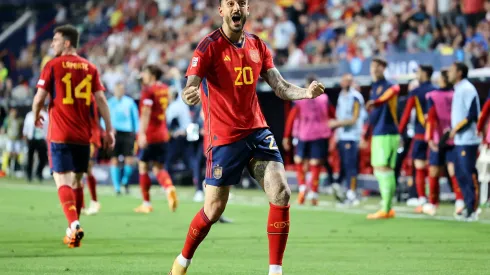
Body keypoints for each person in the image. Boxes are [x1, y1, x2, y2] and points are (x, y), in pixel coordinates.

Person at [169, 1, 325, 274]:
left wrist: (306, 93)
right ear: (222, 11)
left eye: (241, 2)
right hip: (224, 138)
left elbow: (279, 86)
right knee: (213, 210)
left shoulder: (258, 46)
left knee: (281, 192)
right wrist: (188, 94)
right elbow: (190, 86)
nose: (236, 7)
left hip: (256, 131)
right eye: (230, 3)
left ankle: (275, 271)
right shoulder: (208, 46)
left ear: (247, 9)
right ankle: (182, 261)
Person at [32, 24, 114, 248]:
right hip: (82, 136)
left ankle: (74, 223)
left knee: (62, 180)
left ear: (67, 42)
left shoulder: (52, 65)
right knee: (78, 180)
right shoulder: (90, 67)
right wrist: (109, 129)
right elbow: (101, 101)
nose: (52, 44)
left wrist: (35, 114)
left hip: (59, 133)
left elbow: (40, 97)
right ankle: (72, 232)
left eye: (56, 40)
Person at [282, 75, 334, 206]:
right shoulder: (325, 98)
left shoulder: (300, 98)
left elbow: (291, 117)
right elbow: (332, 115)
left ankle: (302, 189)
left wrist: (286, 136)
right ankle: (314, 194)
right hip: (320, 135)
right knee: (315, 164)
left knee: (300, 161)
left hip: (303, 134)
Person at [134, 64, 178, 214]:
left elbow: (146, 113)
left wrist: (141, 133)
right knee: (158, 168)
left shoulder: (148, 90)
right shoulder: (165, 89)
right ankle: (168, 187)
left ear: (152, 75)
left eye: (145, 73)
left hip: (150, 134)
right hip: (163, 133)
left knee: (143, 166)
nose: (143, 76)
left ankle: (146, 203)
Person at [423, 69, 464, 216]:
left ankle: (435, 203)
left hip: (441, 138)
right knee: (451, 170)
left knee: (436, 170)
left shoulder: (433, 96)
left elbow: (430, 119)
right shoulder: (455, 94)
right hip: (453, 136)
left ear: (443, 79)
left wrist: (429, 138)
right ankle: (457, 202)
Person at [364, 57, 400, 220]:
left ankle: (386, 208)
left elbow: (394, 91)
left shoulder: (388, 86)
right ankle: (387, 207)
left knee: (383, 169)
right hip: (381, 132)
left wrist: (375, 103)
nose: (374, 69)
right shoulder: (375, 87)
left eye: (378, 67)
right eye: (372, 67)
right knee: (382, 169)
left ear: (383, 68)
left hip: (386, 131)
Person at [398, 65, 436, 213]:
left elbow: (406, 114)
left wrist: (400, 133)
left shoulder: (415, 92)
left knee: (419, 167)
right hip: (436, 136)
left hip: (421, 134)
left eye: (418, 72)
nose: (417, 75)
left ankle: (422, 200)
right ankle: (434, 201)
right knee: (435, 168)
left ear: (424, 74)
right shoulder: (436, 90)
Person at [448, 62, 481, 221]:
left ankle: (473, 208)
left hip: (468, 139)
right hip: (459, 139)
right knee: (460, 174)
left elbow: (472, 114)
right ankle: (468, 206)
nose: (449, 73)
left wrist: (456, 129)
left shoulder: (467, 89)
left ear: (460, 72)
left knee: (468, 174)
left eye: (452, 70)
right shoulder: (458, 89)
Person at [328, 74, 365, 204]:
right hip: (342, 136)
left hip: (352, 136)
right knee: (344, 165)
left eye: (349, 81)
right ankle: (345, 190)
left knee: (351, 166)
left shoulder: (355, 97)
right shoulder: (341, 96)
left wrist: (337, 124)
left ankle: (352, 193)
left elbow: (355, 119)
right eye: (344, 81)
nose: (346, 83)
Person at [106, 81, 139, 195]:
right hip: (114, 133)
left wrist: (137, 132)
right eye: (117, 89)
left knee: (129, 160)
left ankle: (125, 180)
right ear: (114, 91)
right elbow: (103, 118)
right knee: (114, 159)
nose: (119, 91)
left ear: (124, 91)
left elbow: (135, 118)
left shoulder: (129, 103)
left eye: (121, 89)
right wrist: (108, 128)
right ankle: (117, 187)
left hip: (127, 132)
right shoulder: (110, 103)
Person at [82, 98, 103, 215]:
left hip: (89, 136)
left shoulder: (88, 96)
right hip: (84, 134)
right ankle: (84, 204)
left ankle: (93, 202)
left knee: (84, 168)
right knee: (83, 170)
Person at [22, 108, 49, 182]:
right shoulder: (29, 115)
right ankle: (29, 175)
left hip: (42, 139)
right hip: (31, 138)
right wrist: (25, 136)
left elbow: (48, 127)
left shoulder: (46, 115)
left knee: (43, 158)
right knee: (30, 158)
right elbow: (26, 126)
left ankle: (39, 173)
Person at [1, 108, 23, 175]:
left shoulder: (20, 120)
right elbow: (4, 128)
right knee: (8, 153)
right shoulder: (7, 120)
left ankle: (18, 168)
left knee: (18, 153)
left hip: (17, 139)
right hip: (9, 139)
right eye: (13, 112)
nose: (14, 114)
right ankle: (4, 168)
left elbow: (22, 129)